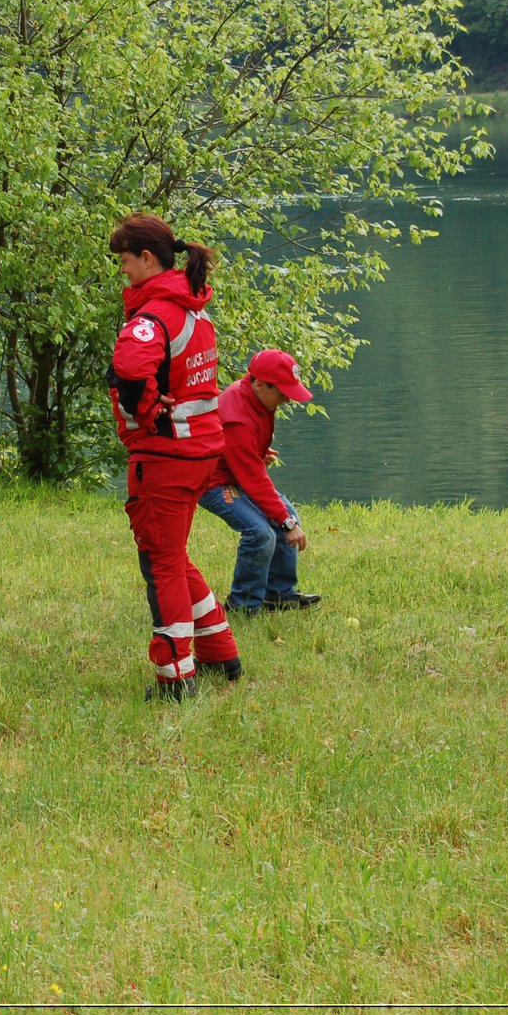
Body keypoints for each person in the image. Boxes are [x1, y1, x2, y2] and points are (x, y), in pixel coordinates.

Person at [107, 212, 241, 700]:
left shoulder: (152, 316)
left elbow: (129, 369)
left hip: (165, 455)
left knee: (159, 564)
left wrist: (143, 412)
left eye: (124, 261)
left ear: (146, 258)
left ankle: (174, 679)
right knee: (173, 554)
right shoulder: (192, 308)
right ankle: (220, 652)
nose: (121, 270)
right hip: (201, 450)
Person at [199, 349, 322, 614]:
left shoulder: (258, 397)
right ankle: (242, 605)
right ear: (258, 383)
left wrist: (256, 451)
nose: (287, 399)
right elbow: (253, 479)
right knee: (260, 533)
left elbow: (241, 451)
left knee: (286, 514)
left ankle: (278, 595)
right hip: (214, 483)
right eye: (282, 393)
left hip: (235, 472)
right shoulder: (237, 415)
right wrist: (286, 523)